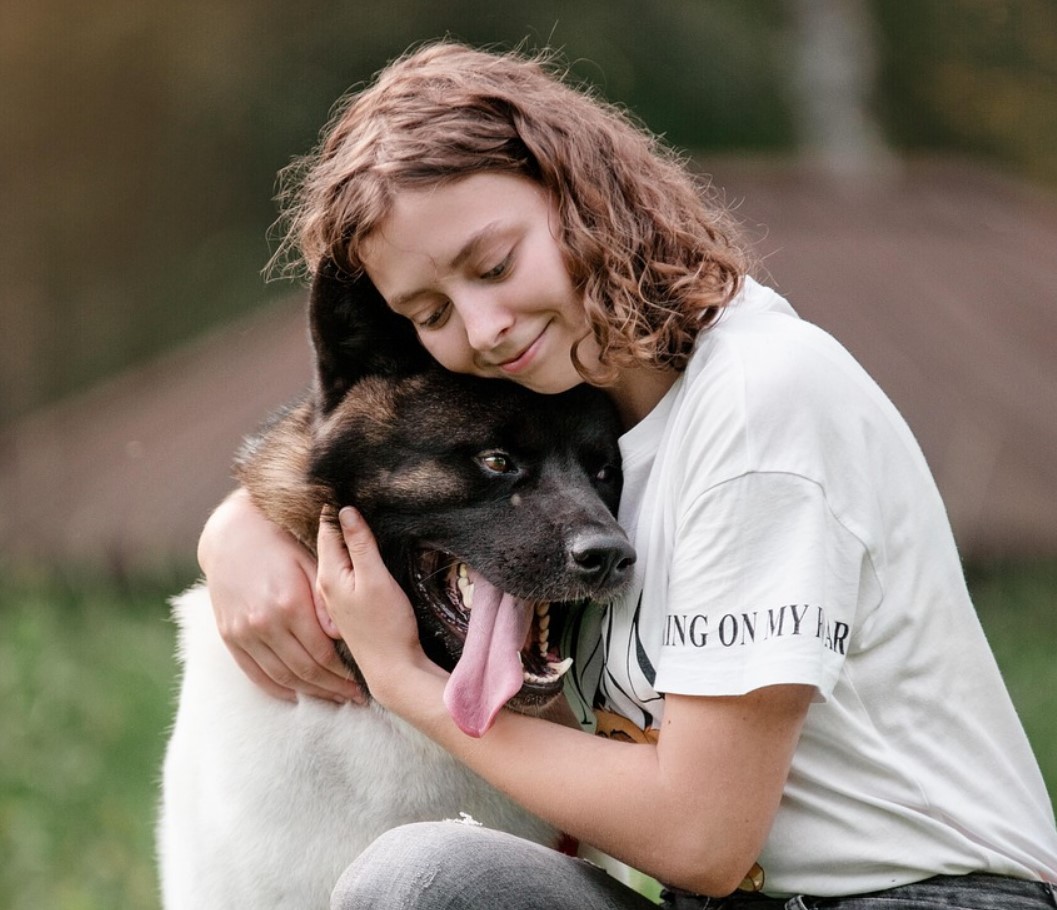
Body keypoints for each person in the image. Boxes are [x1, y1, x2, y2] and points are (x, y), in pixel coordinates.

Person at [197, 41, 1057, 908]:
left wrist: (407, 685)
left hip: (927, 897)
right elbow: (402, 448)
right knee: (444, 877)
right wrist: (243, 525)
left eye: (493, 265)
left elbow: (704, 839)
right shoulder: (582, 409)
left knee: (424, 882)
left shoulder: (760, 400)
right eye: (431, 312)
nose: (484, 326)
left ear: (578, 190)